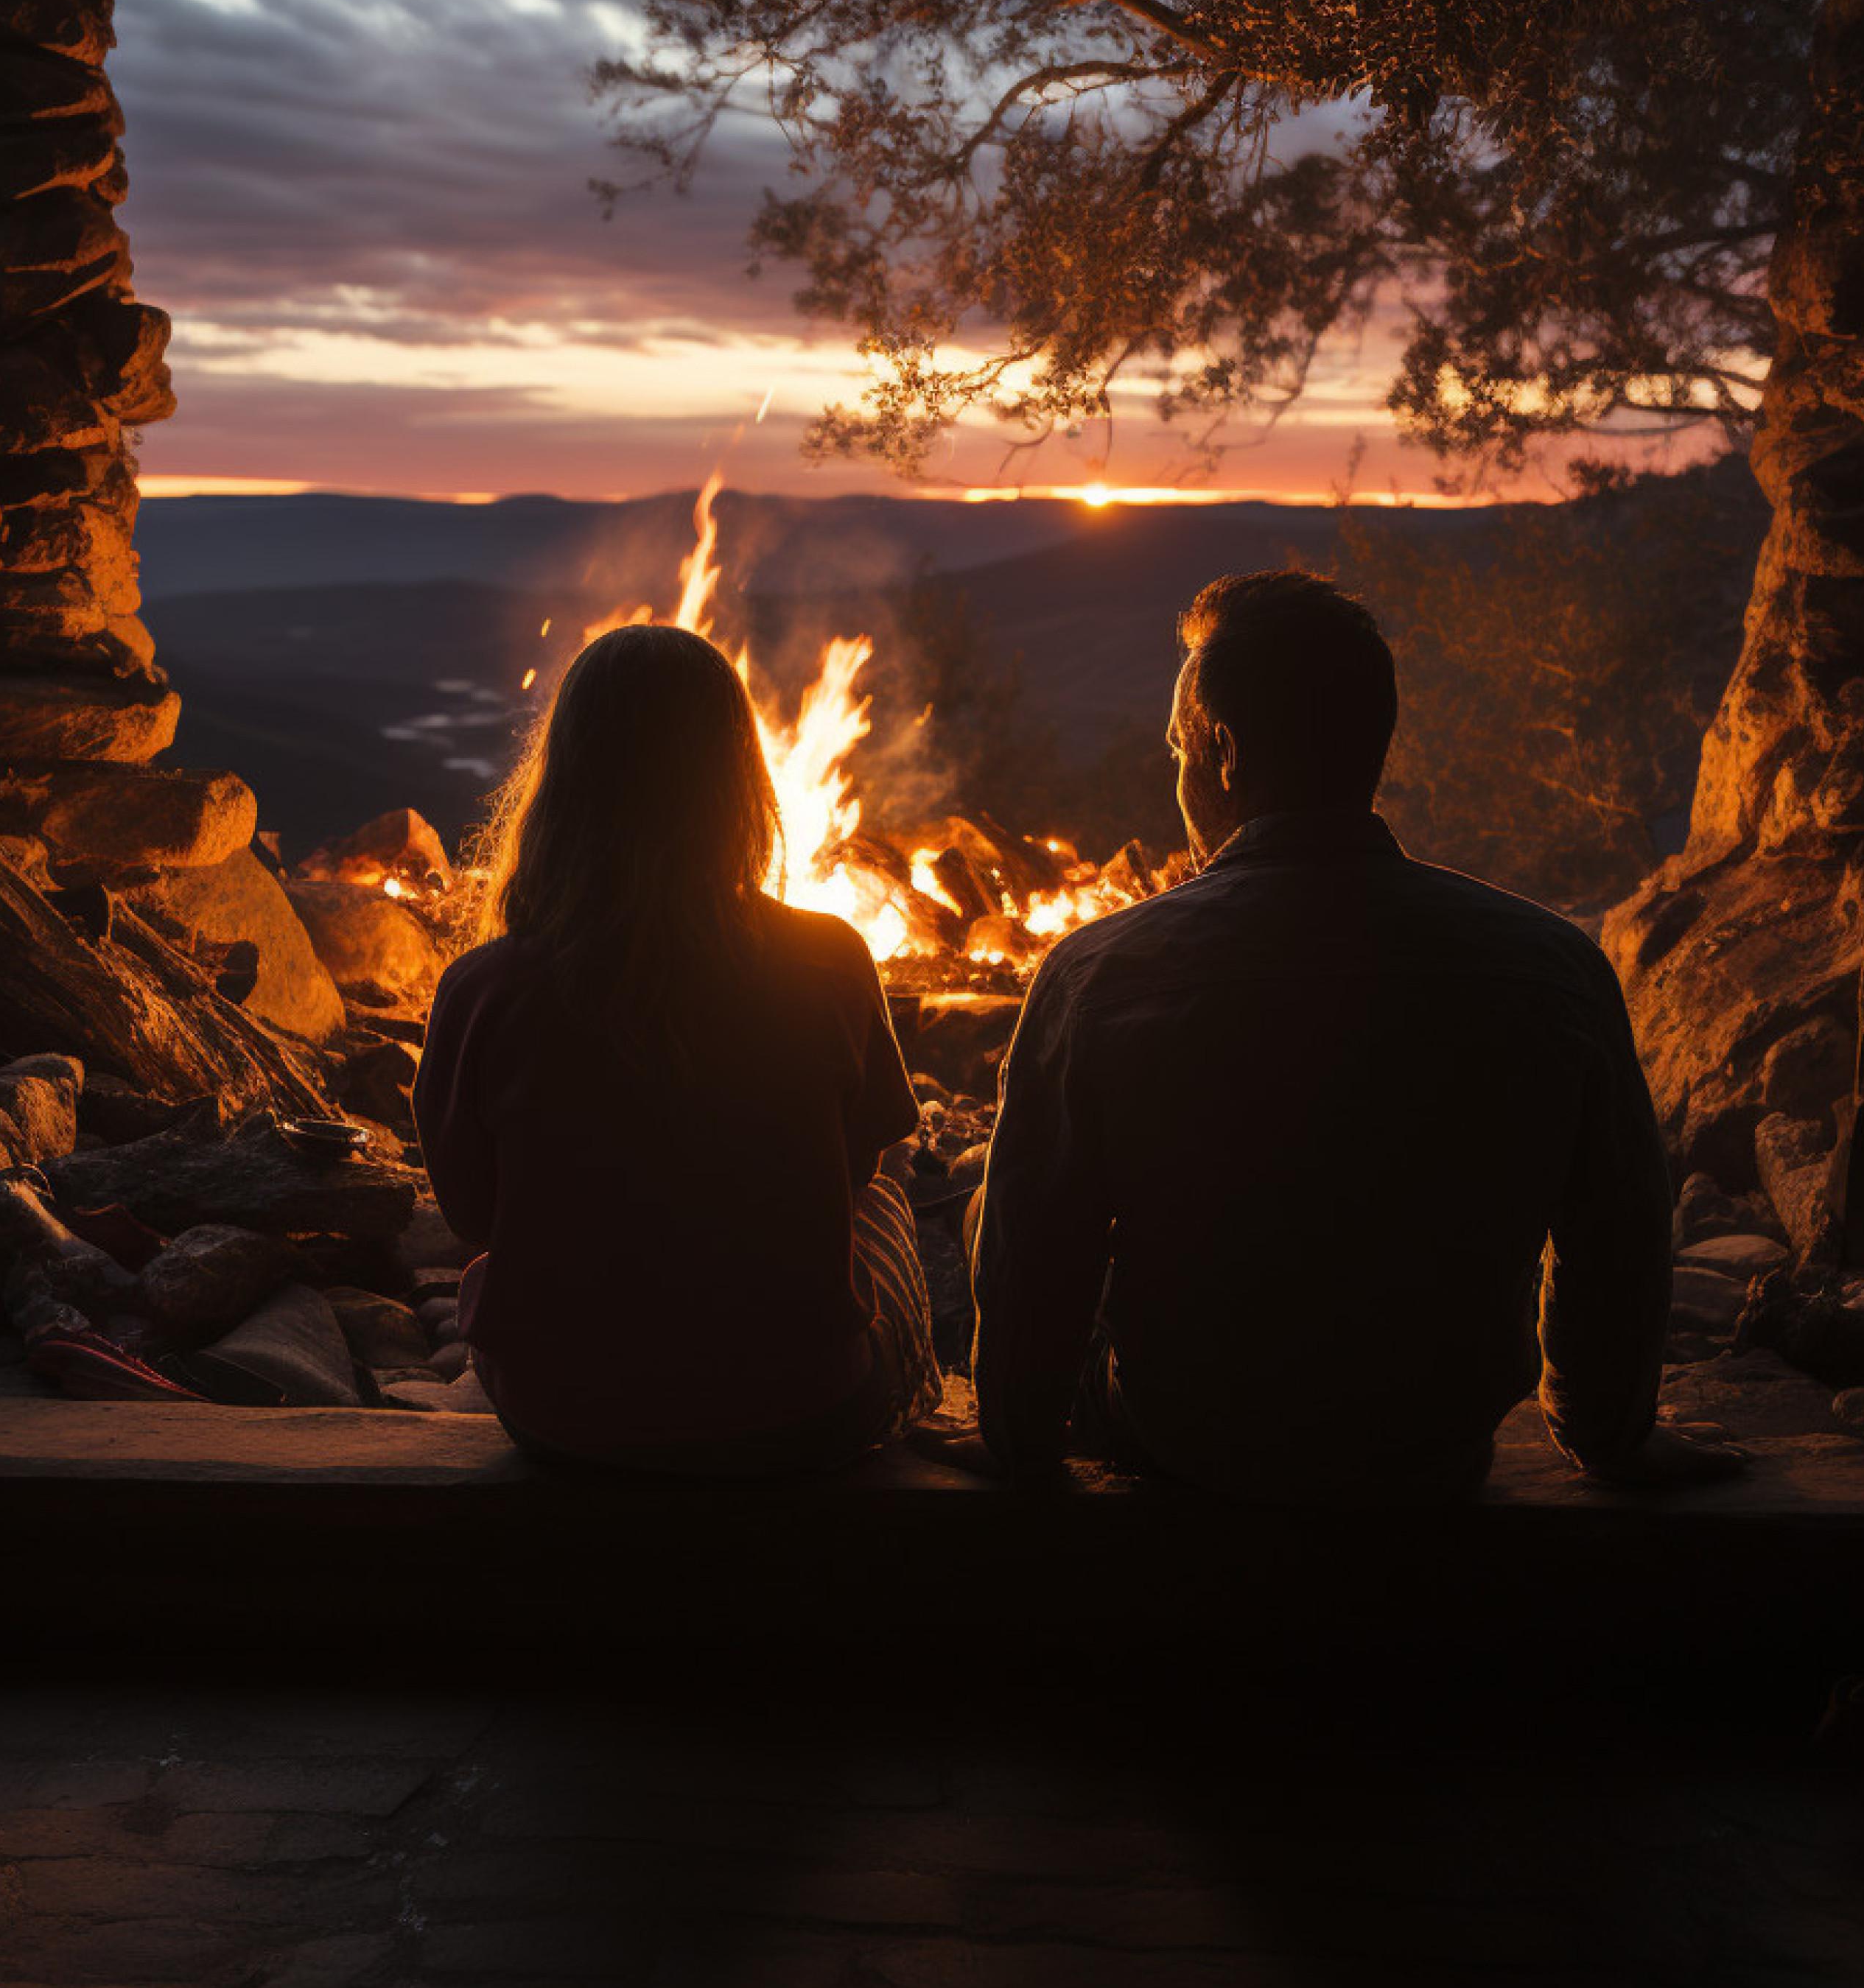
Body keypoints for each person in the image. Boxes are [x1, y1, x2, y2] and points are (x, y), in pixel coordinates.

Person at [968, 570, 1743, 1500]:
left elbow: (1038, 1250)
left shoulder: (1098, 974)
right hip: (1432, 1445)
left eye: (1178, 748)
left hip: (1191, 1440)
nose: (1175, 772)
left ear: (1223, 752)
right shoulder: (1553, 966)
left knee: (992, 1204)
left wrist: (1020, 1449)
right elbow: (1617, 1232)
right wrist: (1606, 1439)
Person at [412, 623, 942, 1475]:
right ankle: (917, 1414)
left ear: (566, 781)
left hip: (564, 1418)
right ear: (738, 781)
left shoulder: (483, 988)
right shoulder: (832, 957)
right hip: (802, 1411)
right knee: (890, 1197)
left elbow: (475, 1217)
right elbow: (856, 1170)